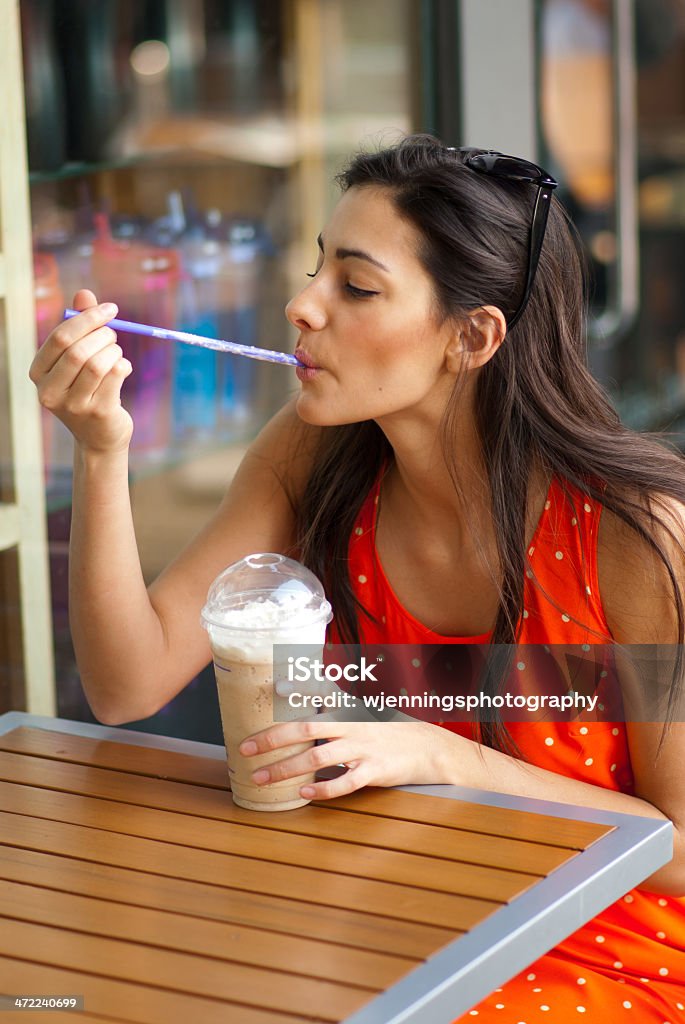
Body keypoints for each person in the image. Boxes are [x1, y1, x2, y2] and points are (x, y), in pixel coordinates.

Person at [30, 134, 684, 1019]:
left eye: (357, 286)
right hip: (394, 905)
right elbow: (125, 685)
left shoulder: (629, 534)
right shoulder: (315, 456)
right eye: (316, 268)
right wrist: (102, 452)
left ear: (472, 335)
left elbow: (676, 846)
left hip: (604, 948)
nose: (301, 306)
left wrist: (443, 757)